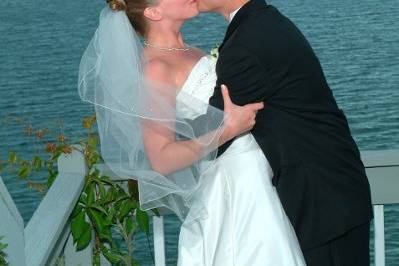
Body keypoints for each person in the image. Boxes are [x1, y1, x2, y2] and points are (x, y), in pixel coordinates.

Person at [79, 0, 306, 265]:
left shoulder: (191, 51)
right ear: (154, 12)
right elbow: (161, 158)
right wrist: (227, 130)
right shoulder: (156, 69)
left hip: (258, 176)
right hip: (233, 188)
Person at [193, 0, 373, 265]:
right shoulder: (263, 22)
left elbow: (215, 131)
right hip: (334, 193)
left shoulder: (246, 43)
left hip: (322, 206)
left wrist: (156, 138)